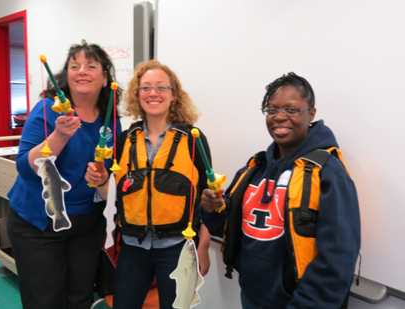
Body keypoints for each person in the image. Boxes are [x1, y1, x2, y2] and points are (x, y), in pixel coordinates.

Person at [200, 72, 360, 309]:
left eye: (292, 110)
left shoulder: (328, 173)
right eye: (272, 110)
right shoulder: (254, 169)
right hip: (252, 297)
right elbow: (226, 230)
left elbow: (338, 258)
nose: (280, 117)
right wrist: (212, 210)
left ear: (311, 113)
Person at [85, 59, 212, 309]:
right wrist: (100, 181)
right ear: (137, 94)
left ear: (173, 94)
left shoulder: (193, 139)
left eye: (161, 87)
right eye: (146, 87)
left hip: (178, 248)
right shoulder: (125, 140)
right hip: (133, 248)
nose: (153, 93)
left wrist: (204, 247)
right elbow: (115, 194)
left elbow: (208, 199)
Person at [7, 41, 122, 309]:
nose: (82, 71)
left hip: (86, 224)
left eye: (91, 66)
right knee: (45, 301)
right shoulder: (49, 109)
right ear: (66, 75)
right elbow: (25, 167)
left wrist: (103, 177)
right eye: (75, 66)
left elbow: (110, 172)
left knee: (80, 297)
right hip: (39, 223)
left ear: (105, 78)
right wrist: (59, 136)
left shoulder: (110, 119)